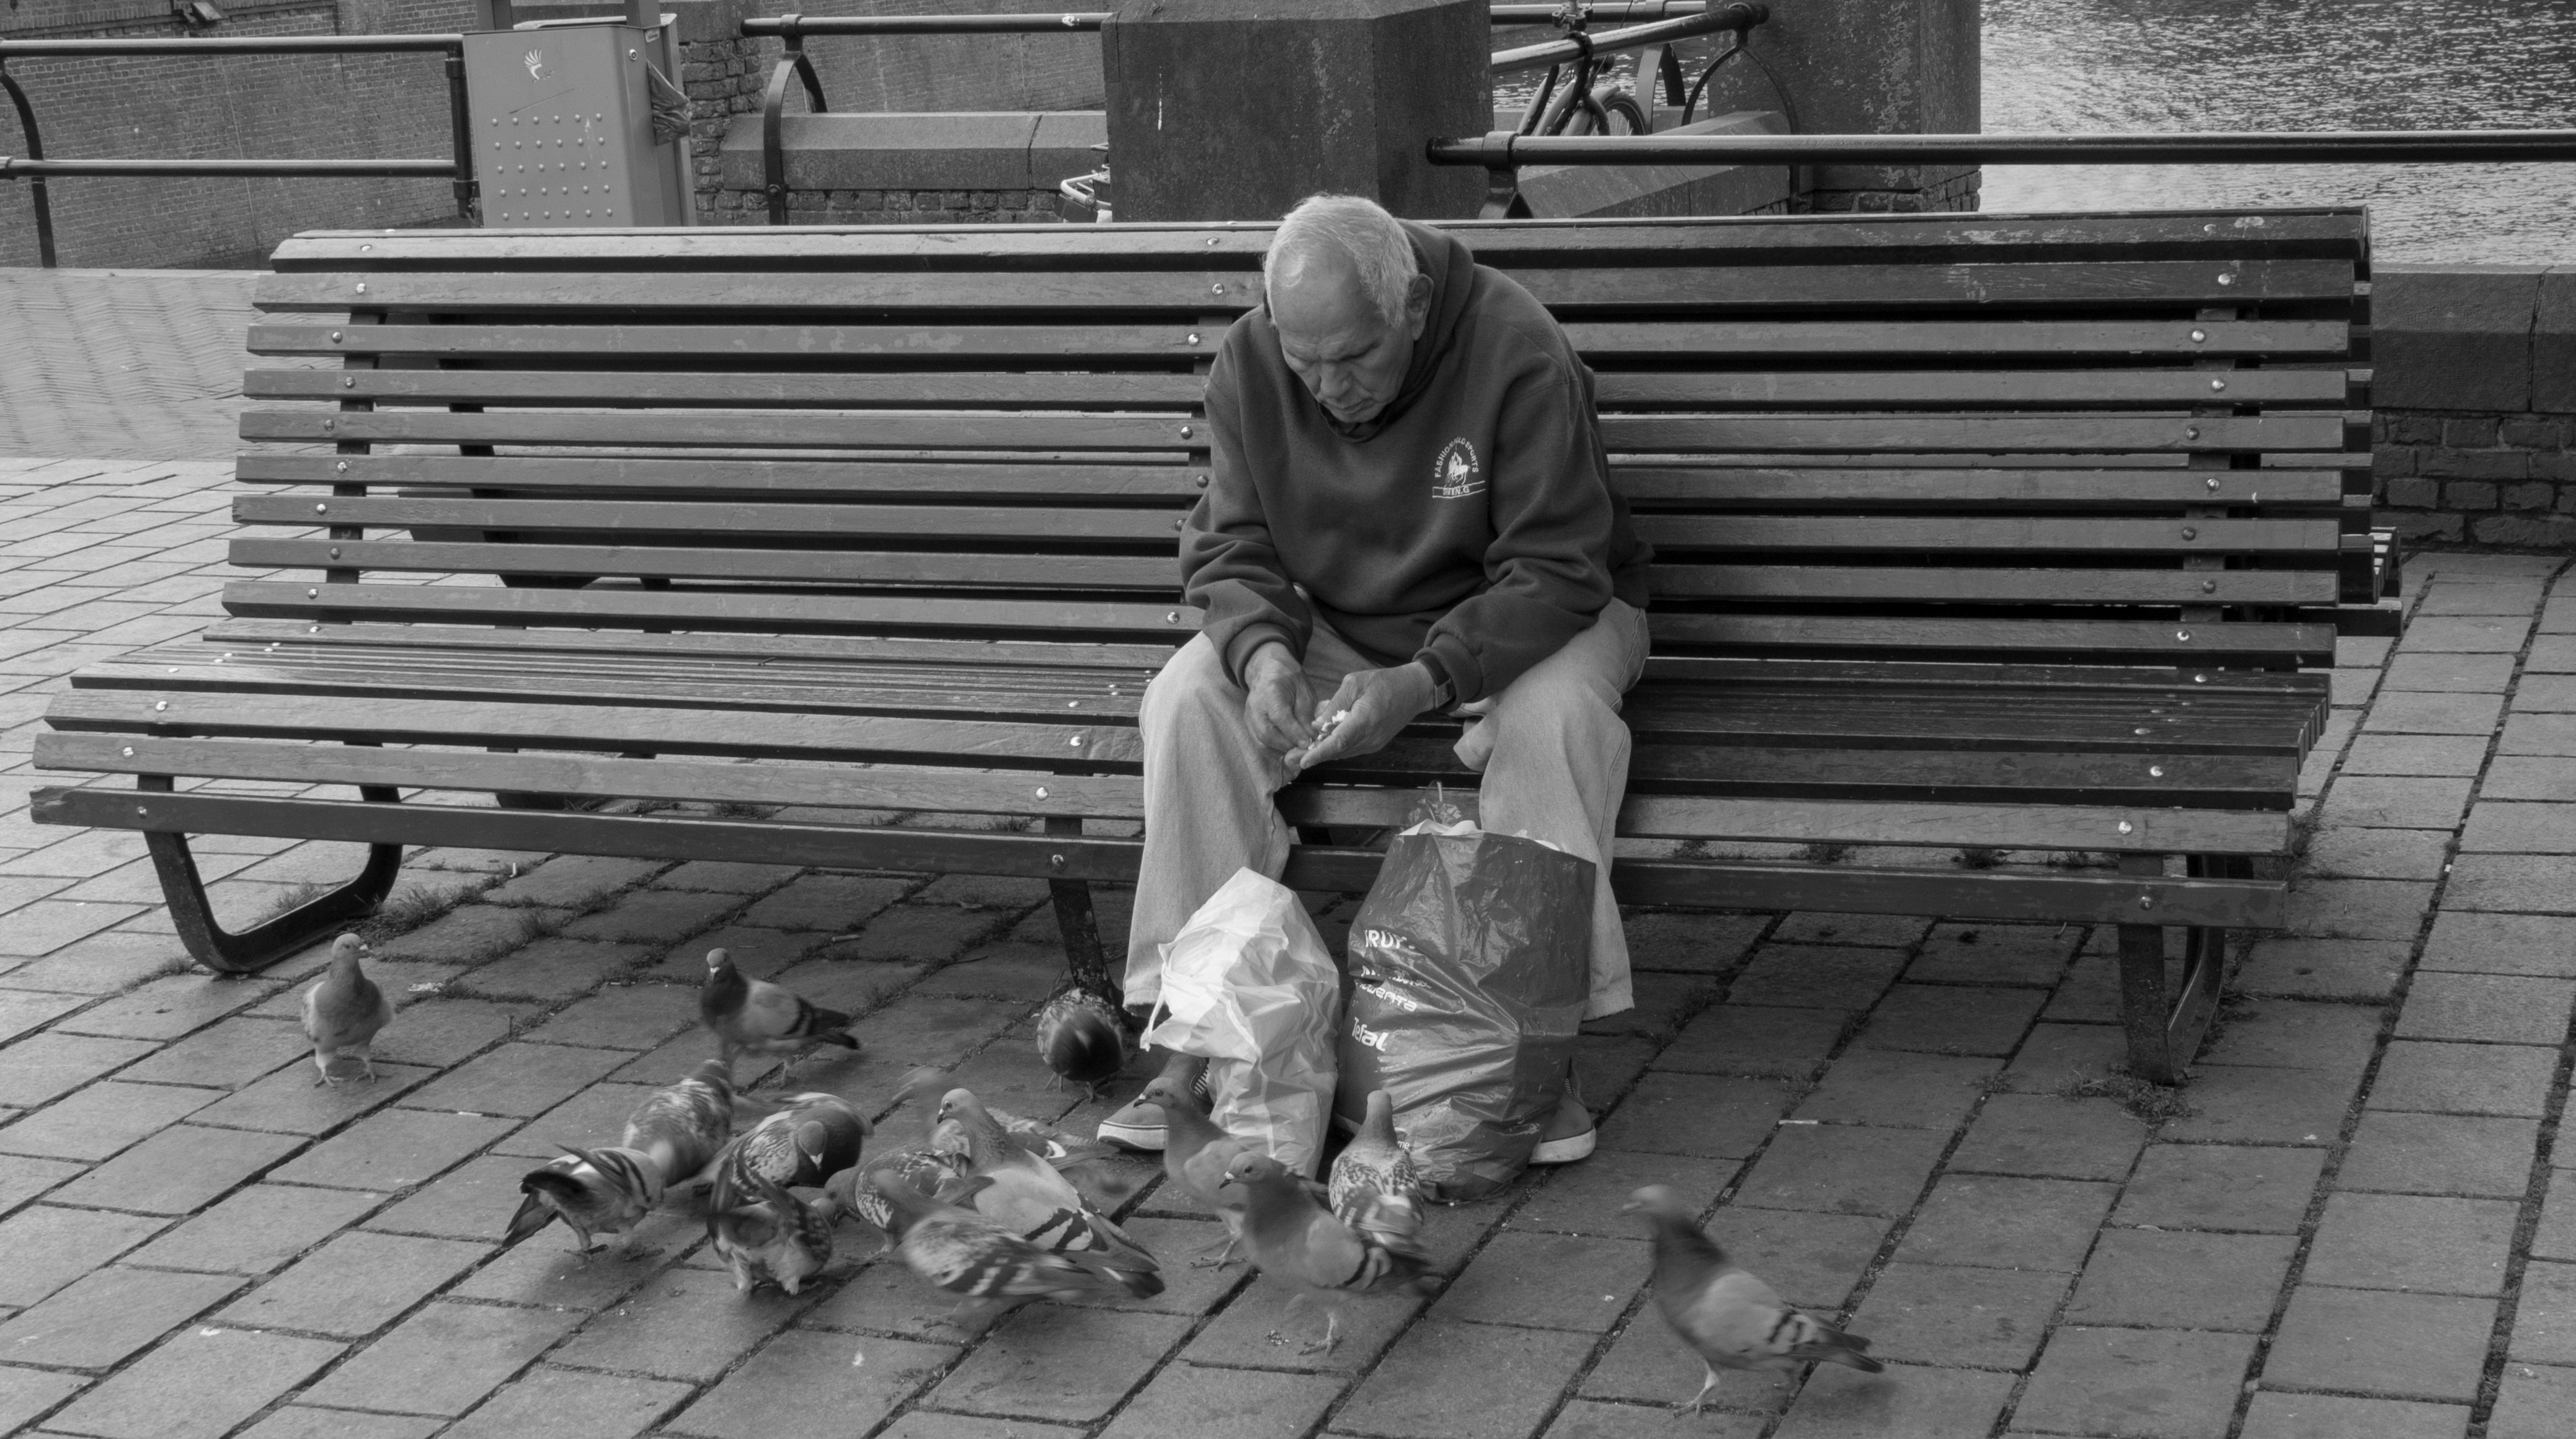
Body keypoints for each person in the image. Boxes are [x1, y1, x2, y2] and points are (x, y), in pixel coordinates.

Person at [1100, 193, 1651, 1161]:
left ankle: (1533, 1054)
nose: (1326, 388)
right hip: (1345, 622)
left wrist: (1426, 678)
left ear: (1411, 303)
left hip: (1548, 610)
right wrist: (1264, 655)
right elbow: (1230, 545)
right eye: (1304, 360)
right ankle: (1193, 1036)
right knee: (1189, 696)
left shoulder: (1515, 343)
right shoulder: (1254, 358)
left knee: (1552, 719)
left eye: (1353, 358)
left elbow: (1561, 566)